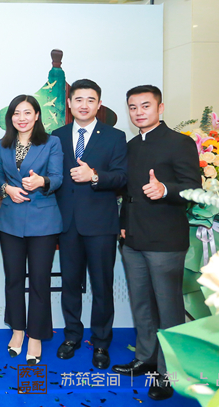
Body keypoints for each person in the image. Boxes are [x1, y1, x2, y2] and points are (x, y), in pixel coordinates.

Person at [112, 85, 200, 401]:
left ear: (160, 108)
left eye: (145, 106)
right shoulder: (131, 146)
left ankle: (169, 372)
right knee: (141, 304)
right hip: (133, 238)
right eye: (133, 107)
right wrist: (123, 225)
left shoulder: (180, 143)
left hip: (166, 239)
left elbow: (193, 188)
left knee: (168, 308)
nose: (139, 112)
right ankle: (146, 358)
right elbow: (127, 193)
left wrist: (165, 190)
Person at [51, 79, 128, 369]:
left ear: (99, 104)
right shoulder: (56, 136)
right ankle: (72, 336)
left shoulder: (115, 136)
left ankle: (101, 342)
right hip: (67, 224)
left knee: (102, 286)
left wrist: (94, 176)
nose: (84, 105)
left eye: (90, 100)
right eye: (79, 99)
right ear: (69, 103)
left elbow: (122, 177)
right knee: (70, 284)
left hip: (101, 224)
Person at [0, 94, 63, 365]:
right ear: (10, 118)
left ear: (36, 115)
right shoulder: (3, 144)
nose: (21, 118)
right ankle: (17, 330)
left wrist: (41, 181)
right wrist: (6, 189)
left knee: (39, 280)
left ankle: (35, 335)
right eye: (16, 113)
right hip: (10, 221)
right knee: (13, 279)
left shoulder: (52, 142)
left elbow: (57, 178)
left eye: (27, 112)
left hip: (43, 221)